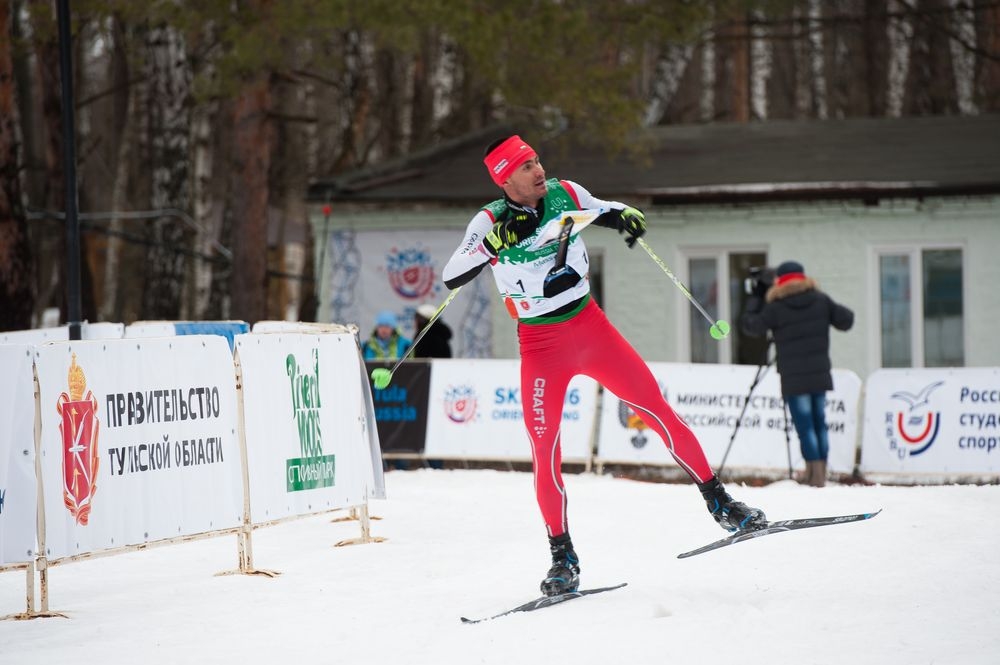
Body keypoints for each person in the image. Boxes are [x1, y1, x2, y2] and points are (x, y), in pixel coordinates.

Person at [442, 134, 766, 597]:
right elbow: (452, 274)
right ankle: (562, 558)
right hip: (540, 344)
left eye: (538, 160)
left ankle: (721, 502)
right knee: (545, 449)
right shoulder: (489, 220)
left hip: (590, 328)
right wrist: (491, 243)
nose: (539, 170)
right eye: (527, 166)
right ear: (504, 178)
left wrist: (627, 218)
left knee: (658, 409)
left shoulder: (565, 193)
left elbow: (607, 209)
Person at [740, 260, 854, 487]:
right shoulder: (820, 300)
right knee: (819, 422)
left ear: (779, 282)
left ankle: (814, 475)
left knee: (805, 425)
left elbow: (751, 326)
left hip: (793, 375)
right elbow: (846, 320)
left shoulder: (776, 306)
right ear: (803, 278)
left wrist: (756, 298)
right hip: (819, 371)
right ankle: (820, 472)